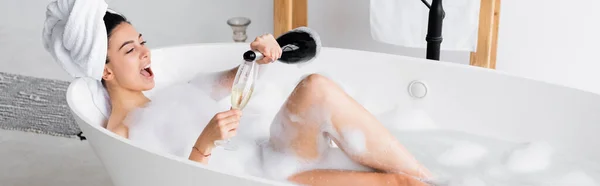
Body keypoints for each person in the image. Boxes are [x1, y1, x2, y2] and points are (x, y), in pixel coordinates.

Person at [46, 2, 431, 184]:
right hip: (265, 179)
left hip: (270, 154)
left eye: (143, 41)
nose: (146, 52)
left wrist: (262, 57)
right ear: (105, 70)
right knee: (400, 185)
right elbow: (176, 180)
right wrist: (205, 142)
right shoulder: (123, 136)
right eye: (130, 50)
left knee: (315, 87)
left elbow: (236, 76)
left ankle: (432, 179)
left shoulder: (173, 93)